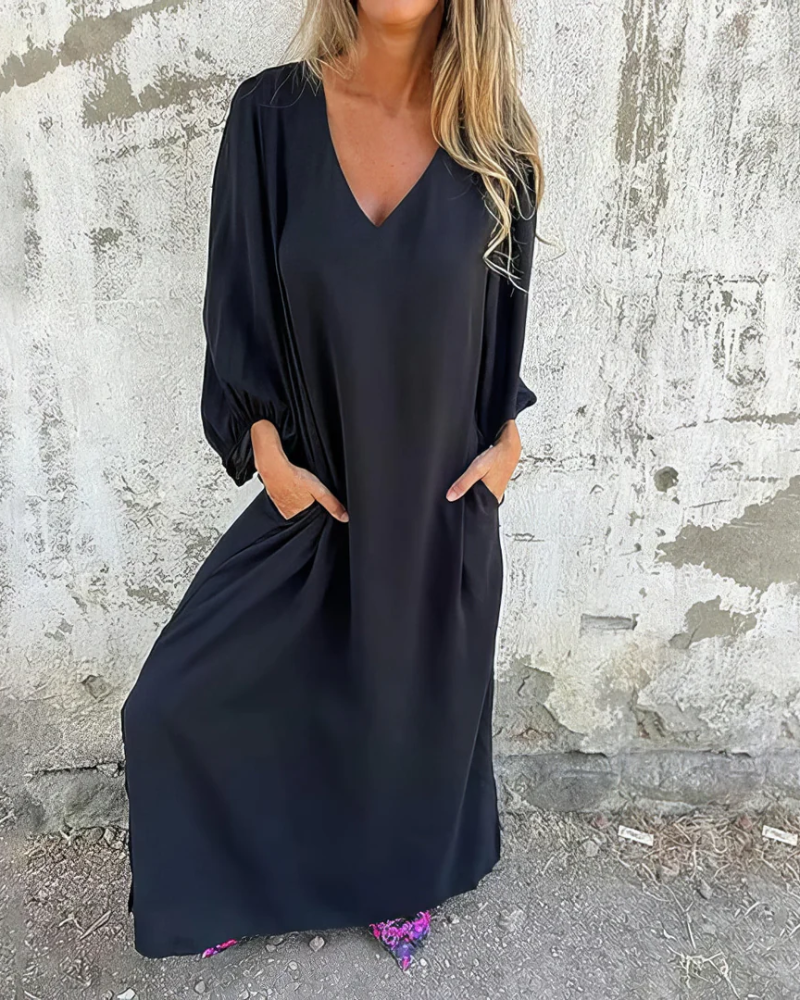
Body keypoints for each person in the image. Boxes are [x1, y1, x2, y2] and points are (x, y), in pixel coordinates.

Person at [120, 0, 544, 972]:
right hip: (317, 495)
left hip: (436, 511)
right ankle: (228, 874)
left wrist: (507, 442)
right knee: (170, 704)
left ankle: (396, 876)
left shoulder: (499, 145)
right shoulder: (270, 120)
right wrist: (264, 448)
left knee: (403, 717)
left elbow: (501, 333)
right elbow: (237, 306)